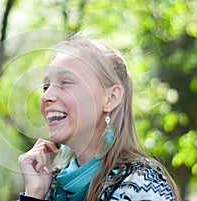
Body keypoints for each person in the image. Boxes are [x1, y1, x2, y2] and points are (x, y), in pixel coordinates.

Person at [18, 33, 180, 201]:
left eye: (65, 82)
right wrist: (34, 194)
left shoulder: (141, 185)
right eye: (46, 86)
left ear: (110, 98)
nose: (45, 97)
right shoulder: (48, 188)